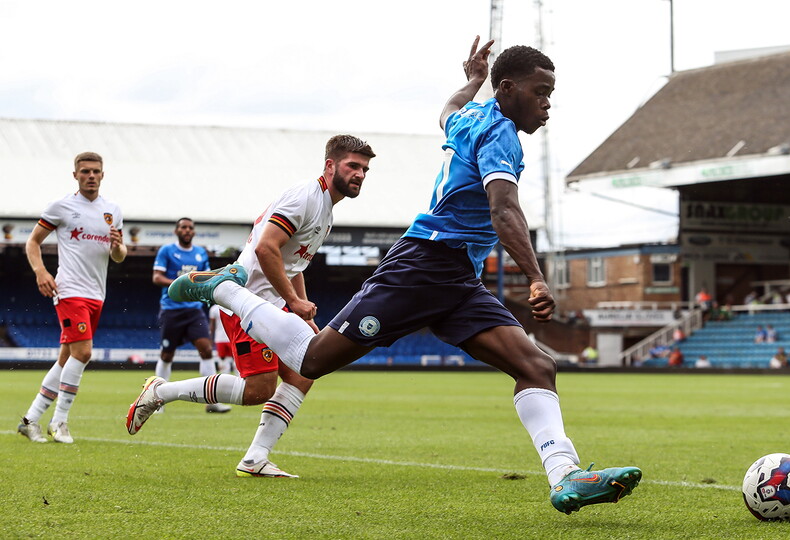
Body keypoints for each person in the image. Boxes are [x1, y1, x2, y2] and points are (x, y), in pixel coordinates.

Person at [140, 37, 641, 514]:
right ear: (507, 89)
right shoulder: (499, 135)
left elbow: (445, 111)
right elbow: (504, 209)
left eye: (550, 94)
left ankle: (565, 477)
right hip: (422, 267)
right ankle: (224, 288)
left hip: (458, 280)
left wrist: (470, 80)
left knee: (536, 366)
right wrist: (535, 276)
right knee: (312, 362)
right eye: (541, 93)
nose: (547, 104)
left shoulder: (470, 117)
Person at [127, 134, 376, 478]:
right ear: (330, 165)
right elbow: (266, 248)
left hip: (273, 302)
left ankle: (255, 458)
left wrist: (299, 305)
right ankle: (161, 392)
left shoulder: (325, 210)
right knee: (259, 389)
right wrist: (292, 301)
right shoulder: (305, 196)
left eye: (364, 168)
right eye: (353, 165)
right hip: (249, 302)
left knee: (305, 373)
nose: (360, 174)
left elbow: (294, 265)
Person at [17, 152, 126, 443]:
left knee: (66, 359)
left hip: (96, 294)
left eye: (96, 171)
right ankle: (59, 422)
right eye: (85, 171)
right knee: (84, 353)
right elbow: (32, 242)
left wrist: (118, 247)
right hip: (69, 291)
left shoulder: (112, 210)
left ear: (103, 175)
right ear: (75, 175)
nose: (91, 176)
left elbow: (118, 256)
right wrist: (41, 272)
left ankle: (29, 420)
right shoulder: (62, 207)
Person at [152, 218, 231, 414]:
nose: (187, 230)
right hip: (171, 309)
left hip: (194, 310)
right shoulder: (167, 251)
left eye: (190, 228)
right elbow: (156, 277)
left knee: (206, 349)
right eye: (183, 227)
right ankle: (156, 400)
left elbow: (205, 278)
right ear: (176, 231)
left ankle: (213, 400)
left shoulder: (200, 253)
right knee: (167, 355)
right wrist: (181, 284)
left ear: (194, 232)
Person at [209, 305, 236, 374]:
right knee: (222, 359)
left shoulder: (232, 306)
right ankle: (224, 377)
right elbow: (212, 325)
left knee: (236, 357)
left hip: (232, 337)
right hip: (220, 338)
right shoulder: (214, 309)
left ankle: (239, 378)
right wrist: (210, 338)